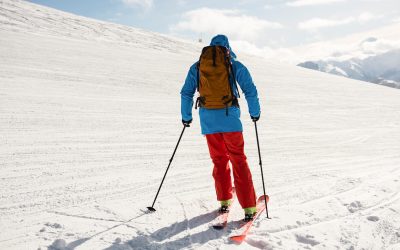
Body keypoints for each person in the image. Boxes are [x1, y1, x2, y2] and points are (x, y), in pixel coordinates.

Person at [180, 34, 260, 221]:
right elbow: (250, 90)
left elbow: (186, 93)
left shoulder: (198, 66)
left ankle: (224, 200)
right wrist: (254, 113)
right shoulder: (234, 65)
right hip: (230, 120)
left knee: (219, 160)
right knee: (238, 160)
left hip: (208, 121)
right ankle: (248, 207)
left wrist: (186, 116)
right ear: (228, 48)